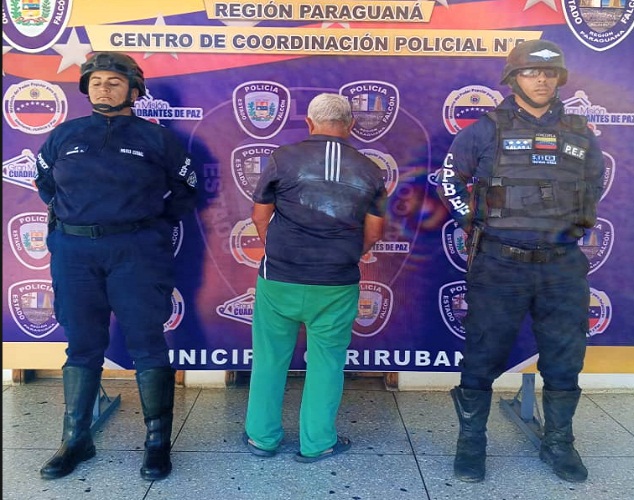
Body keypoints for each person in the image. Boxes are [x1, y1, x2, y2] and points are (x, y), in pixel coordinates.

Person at [436, 39, 604, 483]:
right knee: (482, 355)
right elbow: (450, 181)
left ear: (559, 78)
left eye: (549, 72)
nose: (541, 79)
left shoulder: (580, 131)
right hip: (499, 264)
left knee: (565, 358)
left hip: (561, 265)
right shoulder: (485, 129)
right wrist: (474, 221)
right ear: (514, 79)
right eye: (532, 72)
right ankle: (471, 444)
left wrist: (569, 224)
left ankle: (559, 443)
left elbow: (594, 184)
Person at [35, 52, 198, 481]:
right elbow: (45, 183)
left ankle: (157, 444)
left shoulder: (156, 139)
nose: (103, 89)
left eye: (113, 82)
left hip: (136, 252)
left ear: (134, 90)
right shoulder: (64, 135)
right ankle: (75, 440)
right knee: (82, 344)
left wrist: (147, 226)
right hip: (74, 252)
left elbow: (186, 190)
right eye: (96, 82)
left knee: (147, 342)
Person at [243, 93, 387, 463]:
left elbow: (259, 216)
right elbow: (375, 231)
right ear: (351, 126)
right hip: (336, 282)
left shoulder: (282, 158)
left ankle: (261, 438)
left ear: (309, 123)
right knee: (327, 362)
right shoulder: (371, 170)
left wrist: (278, 249)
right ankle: (318, 443)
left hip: (279, 278)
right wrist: (346, 254)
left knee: (270, 358)